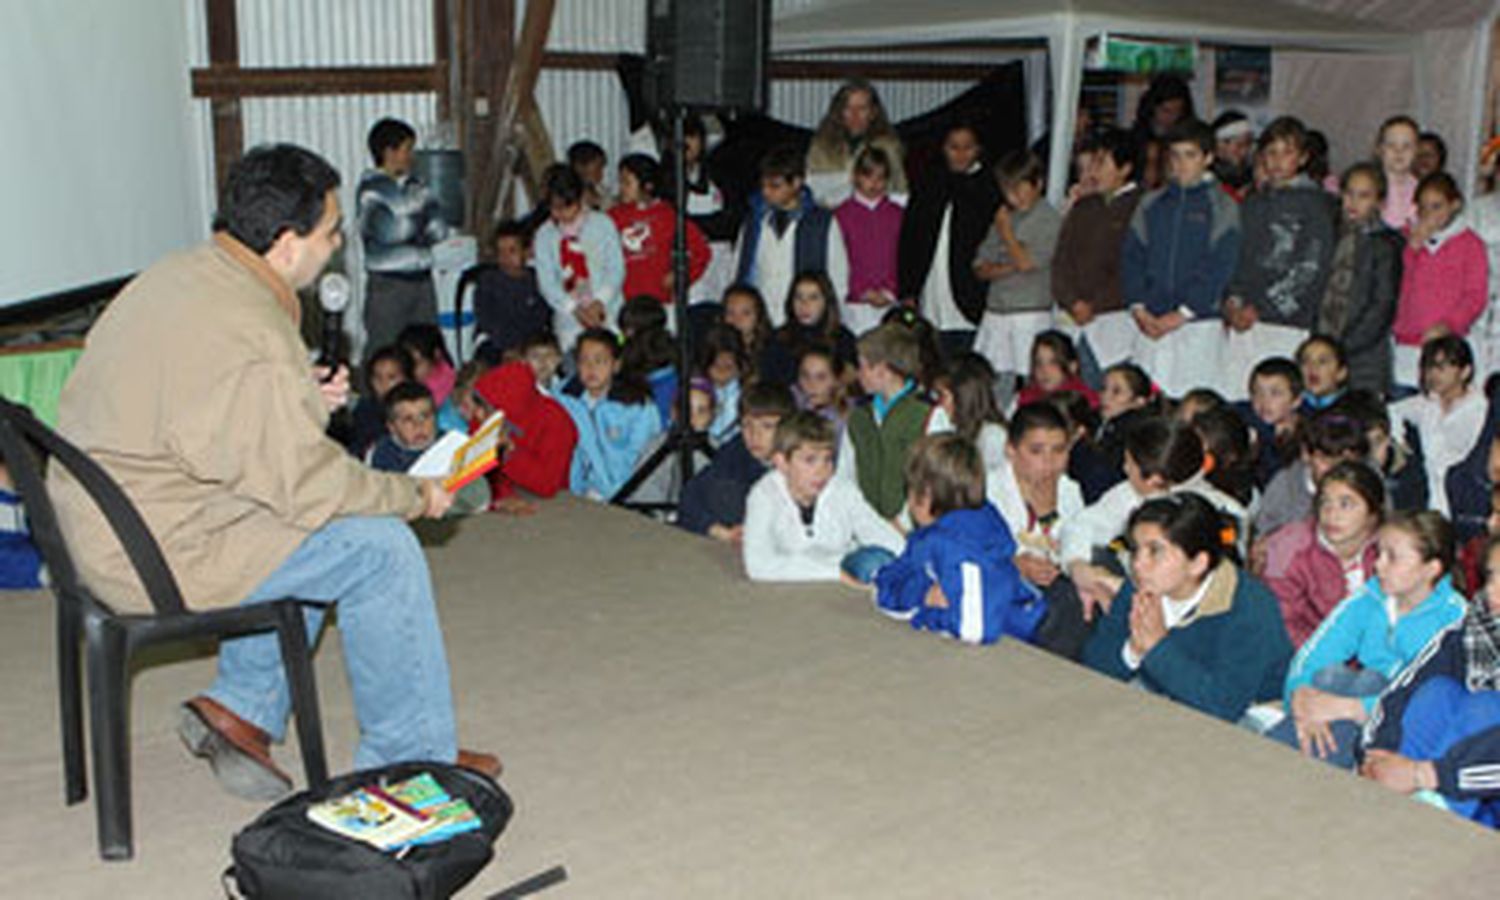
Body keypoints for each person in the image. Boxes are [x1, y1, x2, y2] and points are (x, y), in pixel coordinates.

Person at [49, 143, 497, 799]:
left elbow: (198, 413)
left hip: (102, 519)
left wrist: (294, 402)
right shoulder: (254, 333)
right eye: (331, 231)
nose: (338, 243)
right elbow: (312, 486)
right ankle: (410, 757)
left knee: (312, 536)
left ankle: (243, 707)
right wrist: (413, 493)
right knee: (378, 546)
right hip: (156, 549)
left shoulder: (179, 274)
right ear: (287, 243)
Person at [1269, 511, 1466, 767]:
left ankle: (1292, 759)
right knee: (1329, 676)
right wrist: (1301, 695)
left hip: (1408, 727)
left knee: (1368, 683)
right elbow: (1315, 653)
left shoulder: (1454, 619)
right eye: (1379, 553)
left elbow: (1430, 702)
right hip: (1362, 700)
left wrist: (1354, 708)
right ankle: (1291, 750)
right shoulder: (1371, 597)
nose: (1378, 565)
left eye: (1393, 558)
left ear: (1431, 569)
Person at [1082, 493, 1292, 723]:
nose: (1138, 564)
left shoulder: (1250, 607)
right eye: (1136, 549)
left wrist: (1157, 648)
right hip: (1164, 694)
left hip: (1249, 713)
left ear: (1198, 563)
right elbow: (1093, 667)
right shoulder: (1141, 585)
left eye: (1155, 551)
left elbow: (1222, 707)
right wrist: (1133, 650)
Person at [1360, 534, 1500, 825]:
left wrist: (1427, 774)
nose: (1493, 591)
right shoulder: (1472, 629)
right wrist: (1377, 752)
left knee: (1486, 705)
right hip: (1446, 778)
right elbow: (1403, 688)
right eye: (1492, 576)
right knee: (1437, 692)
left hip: (1476, 793)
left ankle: (1426, 819)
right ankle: (1393, 803)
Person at [1061, 417, 1248, 619]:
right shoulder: (1130, 493)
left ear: (1154, 480)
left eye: (1129, 463)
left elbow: (1215, 584)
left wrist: (1118, 586)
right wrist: (1078, 567)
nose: (1125, 469)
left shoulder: (1225, 511)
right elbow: (1083, 524)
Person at [873, 433, 1044, 644]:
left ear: (924, 497)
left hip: (1013, 639)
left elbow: (976, 628)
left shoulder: (958, 547)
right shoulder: (935, 534)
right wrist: (922, 594)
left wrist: (924, 615)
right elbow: (895, 574)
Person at [1222, 117, 1339, 401]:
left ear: (1302, 158)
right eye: (1271, 152)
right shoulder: (1252, 204)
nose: (1277, 161)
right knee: (1238, 395)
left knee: (1279, 399)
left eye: (1286, 153)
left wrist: (1263, 307)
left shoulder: (1316, 205)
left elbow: (1311, 266)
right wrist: (1234, 301)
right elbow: (1236, 258)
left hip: (1286, 321)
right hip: (1243, 319)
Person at [1123, 118, 1241, 397]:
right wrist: (1138, 306)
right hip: (1150, 320)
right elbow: (1132, 257)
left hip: (1199, 322)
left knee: (1195, 407)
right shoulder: (1151, 203)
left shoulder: (1223, 206)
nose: (1181, 164)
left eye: (1190, 155)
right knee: (1148, 405)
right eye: (1175, 155)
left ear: (1208, 158)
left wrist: (1184, 313)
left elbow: (1220, 266)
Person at [742, 412, 904, 582]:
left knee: (879, 561)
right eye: (810, 460)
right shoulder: (763, 495)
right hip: (806, 572)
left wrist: (912, 560)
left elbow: (878, 531)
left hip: (847, 560)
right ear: (782, 462)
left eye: (827, 460)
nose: (822, 471)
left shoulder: (842, 489)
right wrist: (836, 573)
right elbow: (757, 566)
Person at [898, 122, 1002, 359]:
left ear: (978, 149)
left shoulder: (989, 188)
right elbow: (910, 239)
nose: (961, 153)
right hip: (932, 293)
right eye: (953, 147)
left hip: (972, 298)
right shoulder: (929, 183)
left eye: (967, 147)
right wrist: (908, 289)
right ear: (943, 148)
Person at [1051, 128, 1143, 381]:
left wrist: (1096, 304)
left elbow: (1134, 267)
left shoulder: (1142, 207)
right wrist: (1071, 300)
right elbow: (1061, 260)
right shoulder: (1084, 206)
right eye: (1093, 163)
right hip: (1074, 316)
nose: (1094, 171)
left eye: (1102, 163)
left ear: (1124, 168)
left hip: (1115, 320)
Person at [357, 118, 451, 363]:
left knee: (427, 352)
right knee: (385, 353)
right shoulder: (372, 190)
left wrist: (408, 220)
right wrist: (417, 221)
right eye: (407, 149)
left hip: (421, 281)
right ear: (389, 152)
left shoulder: (417, 184)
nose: (412, 156)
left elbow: (439, 229)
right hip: (388, 286)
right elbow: (390, 232)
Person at [1261, 461, 1383, 648]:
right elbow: (1285, 625)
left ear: (1373, 514)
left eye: (1346, 504)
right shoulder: (1289, 549)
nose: (1332, 514)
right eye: (1325, 502)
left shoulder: (1389, 549)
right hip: (1311, 659)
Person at [972, 150, 1063, 395]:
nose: (1014, 197)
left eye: (1020, 189)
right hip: (996, 309)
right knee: (991, 380)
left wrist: (1007, 234)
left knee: (1031, 380)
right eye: (1008, 190)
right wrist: (1008, 266)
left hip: (1029, 310)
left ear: (1038, 184)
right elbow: (980, 266)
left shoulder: (1048, 219)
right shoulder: (1004, 216)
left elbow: (1026, 263)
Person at [837, 322, 947, 519]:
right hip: (865, 524)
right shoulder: (858, 418)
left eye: (862, 366)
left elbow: (935, 478)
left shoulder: (929, 415)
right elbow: (845, 474)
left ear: (882, 370)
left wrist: (903, 522)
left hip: (911, 526)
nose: (857, 374)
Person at [733, 145, 850, 328]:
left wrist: (832, 319)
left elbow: (838, 275)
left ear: (796, 183)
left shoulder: (822, 223)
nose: (766, 192)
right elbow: (738, 267)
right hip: (761, 318)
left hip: (804, 318)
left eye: (775, 186)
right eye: (763, 185)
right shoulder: (753, 221)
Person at [1392, 173, 1488, 391]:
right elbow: (1396, 282)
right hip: (1405, 339)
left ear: (1454, 205)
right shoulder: (1403, 238)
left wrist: (1449, 325)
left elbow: (1475, 295)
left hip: (1443, 343)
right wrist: (1412, 250)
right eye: (1423, 208)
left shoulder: (1470, 244)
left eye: (1437, 207)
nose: (1429, 215)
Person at [1317, 162, 1403, 395]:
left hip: (1364, 355)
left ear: (1380, 202)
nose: (1353, 202)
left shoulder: (1385, 244)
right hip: (1321, 348)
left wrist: (1342, 348)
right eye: (1349, 193)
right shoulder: (1328, 234)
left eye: (1364, 196)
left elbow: (1382, 305)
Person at [678, 382, 797, 542]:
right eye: (747, 425)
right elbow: (690, 496)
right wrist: (719, 531)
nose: (755, 435)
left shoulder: (803, 458)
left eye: (767, 426)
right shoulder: (736, 451)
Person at [987, 403, 1086, 591]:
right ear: (1011, 450)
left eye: (1059, 450)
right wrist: (1013, 565)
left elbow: (1073, 548)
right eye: (1036, 451)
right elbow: (972, 553)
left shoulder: (1069, 490)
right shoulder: (987, 491)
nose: (1049, 461)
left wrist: (1047, 513)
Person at [557, 328, 661, 501]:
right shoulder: (564, 399)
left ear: (616, 365)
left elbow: (643, 457)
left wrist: (622, 494)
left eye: (600, 361)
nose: (591, 368)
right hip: (584, 494)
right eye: (584, 361)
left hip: (632, 495)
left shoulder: (637, 406)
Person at [1390, 335, 1487, 518]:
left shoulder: (1480, 409)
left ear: (1465, 371)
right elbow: (1391, 411)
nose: (1433, 375)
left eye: (1441, 368)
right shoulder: (1427, 404)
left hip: (1464, 501)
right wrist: (1399, 441)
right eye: (1429, 368)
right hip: (1429, 498)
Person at [533, 164, 626, 354]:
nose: (562, 215)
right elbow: (547, 282)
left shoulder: (603, 224)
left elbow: (616, 268)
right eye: (554, 208)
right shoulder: (544, 235)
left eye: (567, 207)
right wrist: (574, 308)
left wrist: (599, 302)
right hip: (570, 320)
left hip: (608, 313)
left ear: (580, 198)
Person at [609, 153, 710, 313]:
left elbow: (701, 252)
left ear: (648, 186)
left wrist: (680, 276)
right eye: (620, 182)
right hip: (622, 301)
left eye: (627, 183)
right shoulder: (613, 216)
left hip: (660, 301)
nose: (621, 188)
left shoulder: (668, 215)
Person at [472, 359, 578, 505]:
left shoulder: (557, 423)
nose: (477, 414)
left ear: (507, 414)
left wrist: (508, 453)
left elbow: (548, 485)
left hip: (551, 503)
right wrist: (500, 496)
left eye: (486, 410)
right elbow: (474, 471)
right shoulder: (485, 414)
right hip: (500, 496)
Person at [1255, 409, 1369, 540]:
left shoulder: (1369, 484)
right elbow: (1263, 537)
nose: (1336, 470)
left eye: (1346, 463)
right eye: (1326, 461)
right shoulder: (1284, 486)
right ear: (1306, 454)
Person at [804, 79, 908, 207]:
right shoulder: (820, 147)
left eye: (862, 108)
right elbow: (809, 191)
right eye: (848, 108)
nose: (855, 115)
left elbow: (899, 191)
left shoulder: (888, 148)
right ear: (839, 112)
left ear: (873, 112)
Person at [833, 147, 904, 336]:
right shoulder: (841, 215)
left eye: (881, 178)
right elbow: (838, 261)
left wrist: (891, 291)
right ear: (856, 177)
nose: (875, 183)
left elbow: (903, 257)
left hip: (891, 300)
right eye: (868, 176)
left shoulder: (898, 214)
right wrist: (861, 291)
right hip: (855, 304)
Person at [759, 271, 858, 388]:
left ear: (826, 302)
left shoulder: (844, 339)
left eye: (813, 298)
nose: (804, 304)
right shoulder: (777, 340)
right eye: (798, 297)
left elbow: (850, 385)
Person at [471, 219, 550, 365]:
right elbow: (487, 319)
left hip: (529, 344)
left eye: (512, 251)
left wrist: (522, 348)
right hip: (494, 343)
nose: (506, 257)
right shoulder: (487, 282)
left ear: (527, 252)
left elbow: (540, 318)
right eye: (501, 252)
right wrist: (507, 348)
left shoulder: (538, 281)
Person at [932, 352, 1007, 478]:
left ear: (963, 397)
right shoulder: (950, 426)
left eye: (942, 396)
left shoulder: (993, 436)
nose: (939, 404)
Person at [1242, 356, 1302, 488]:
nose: (1264, 401)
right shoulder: (1244, 421)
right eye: (1257, 393)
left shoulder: (1309, 433)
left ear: (1297, 400)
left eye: (1275, 393)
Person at [347, 345, 412, 458]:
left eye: (391, 377)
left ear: (407, 379)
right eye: (377, 377)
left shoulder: (415, 408)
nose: (383, 384)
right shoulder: (365, 409)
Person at [1015, 330, 1099, 411]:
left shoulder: (1085, 401)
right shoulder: (1026, 399)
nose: (1044, 370)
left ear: (1072, 366)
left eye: (1053, 362)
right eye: (1038, 363)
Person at [697, 322, 749, 446]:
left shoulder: (748, 392)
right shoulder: (695, 391)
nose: (722, 373)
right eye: (717, 366)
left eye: (728, 367)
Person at [1376, 116, 1421, 231]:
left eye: (1406, 146)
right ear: (1379, 149)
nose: (1399, 151)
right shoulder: (1370, 185)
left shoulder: (1422, 189)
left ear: (1417, 151)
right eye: (1391, 145)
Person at [1295, 334, 1349, 414]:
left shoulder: (1355, 412)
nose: (1312, 367)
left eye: (1322, 361)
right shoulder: (1289, 410)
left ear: (1341, 373)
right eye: (1305, 361)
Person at [1211, 111, 1256, 202]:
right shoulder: (1208, 179)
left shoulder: (1253, 173)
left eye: (1248, 144)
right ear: (1219, 145)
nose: (1245, 151)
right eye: (1239, 145)